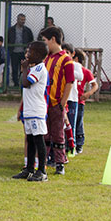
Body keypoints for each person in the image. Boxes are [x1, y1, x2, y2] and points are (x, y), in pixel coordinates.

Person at [12, 40, 49, 182]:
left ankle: (42, 171)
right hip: (29, 110)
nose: (27, 54)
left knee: (39, 139)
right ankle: (29, 169)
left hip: (36, 111)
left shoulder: (39, 69)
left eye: (30, 51)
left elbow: (26, 83)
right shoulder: (32, 68)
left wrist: (24, 68)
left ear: (38, 55)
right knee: (31, 140)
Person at [40, 26, 75, 176]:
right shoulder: (47, 58)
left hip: (56, 104)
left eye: (45, 40)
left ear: (53, 39)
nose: (44, 44)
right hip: (45, 103)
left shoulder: (66, 59)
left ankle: (60, 163)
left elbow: (70, 82)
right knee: (45, 133)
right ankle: (45, 160)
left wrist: (62, 103)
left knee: (58, 133)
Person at [74, 48, 98, 155]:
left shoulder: (85, 72)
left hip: (79, 102)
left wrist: (88, 93)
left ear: (76, 58)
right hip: (70, 101)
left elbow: (95, 85)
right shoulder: (68, 69)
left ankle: (79, 144)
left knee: (78, 122)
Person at [7, 13, 34, 87]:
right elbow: (8, 39)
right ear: (17, 20)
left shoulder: (27, 30)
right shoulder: (11, 30)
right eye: (21, 20)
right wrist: (10, 49)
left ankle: (22, 82)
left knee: (23, 68)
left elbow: (31, 40)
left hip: (23, 52)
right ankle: (15, 83)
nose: (23, 21)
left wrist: (28, 50)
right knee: (14, 68)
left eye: (24, 20)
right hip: (14, 52)